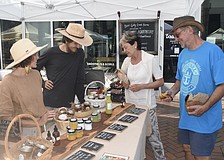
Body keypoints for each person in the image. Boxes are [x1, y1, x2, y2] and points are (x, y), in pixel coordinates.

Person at [162, 15, 224, 160]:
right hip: (186, 116)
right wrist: (171, 92)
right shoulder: (183, 54)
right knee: (187, 149)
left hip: (205, 117)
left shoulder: (213, 52)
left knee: (200, 156)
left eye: (177, 35)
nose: (176, 39)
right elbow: (179, 81)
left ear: (190, 30)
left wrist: (206, 107)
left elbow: (222, 85)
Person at [119, 31, 166, 160]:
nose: (124, 51)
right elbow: (122, 77)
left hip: (147, 106)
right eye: (123, 48)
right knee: (133, 137)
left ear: (135, 44)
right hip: (131, 106)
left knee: (153, 137)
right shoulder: (127, 61)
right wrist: (123, 82)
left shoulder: (150, 59)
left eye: (126, 47)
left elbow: (160, 81)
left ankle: (161, 158)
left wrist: (142, 86)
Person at [0, 38, 56, 135]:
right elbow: (6, 118)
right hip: (22, 133)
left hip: (42, 128)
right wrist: (38, 122)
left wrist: (47, 112)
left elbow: (35, 103)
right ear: (29, 58)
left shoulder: (36, 75)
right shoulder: (7, 82)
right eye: (35, 55)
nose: (38, 58)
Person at [36, 23, 93, 108]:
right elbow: (34, 68)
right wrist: (42, 82)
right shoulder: (51, 53)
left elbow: (80, 78)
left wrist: (82, 101)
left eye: (79, 43)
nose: (78, 46)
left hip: (69, 103)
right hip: (49, 103)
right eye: (75, 43)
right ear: (66, 40)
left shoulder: (80, 53)